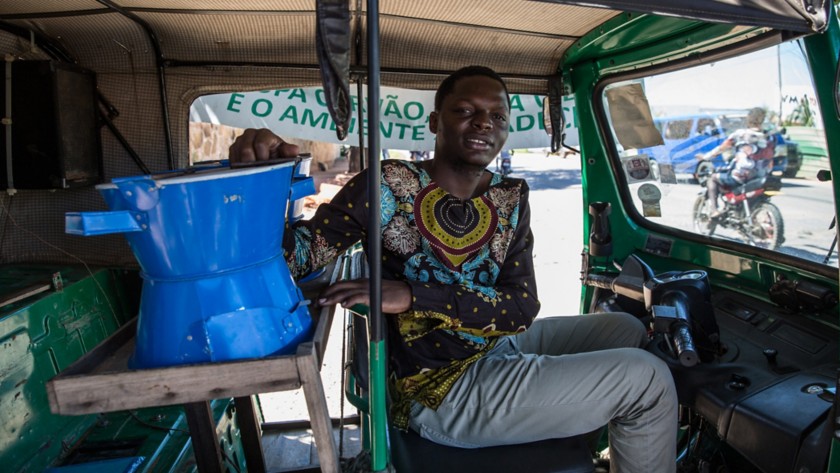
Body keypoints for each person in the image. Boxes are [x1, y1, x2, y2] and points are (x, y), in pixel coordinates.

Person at [229, 65, 677, 473]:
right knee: (649, 380)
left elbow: (521, 307)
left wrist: (413, 294)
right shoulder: (387, 185)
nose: (484, 122)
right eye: (465, 110)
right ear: (434, 122)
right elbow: (297, 258)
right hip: (440, 390)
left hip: (496, 347)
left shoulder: (510, 197)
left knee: (624, 329)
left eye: (497, 117)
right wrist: (261, 183)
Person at [697, 107, 770, 217]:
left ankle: (714, 210)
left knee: (713, 178)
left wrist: (705, 157)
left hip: (741, 177)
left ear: (748, 119)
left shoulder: (740, 134)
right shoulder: (769, 137)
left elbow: (722, 148)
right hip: (762, 176)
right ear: (762, 120)